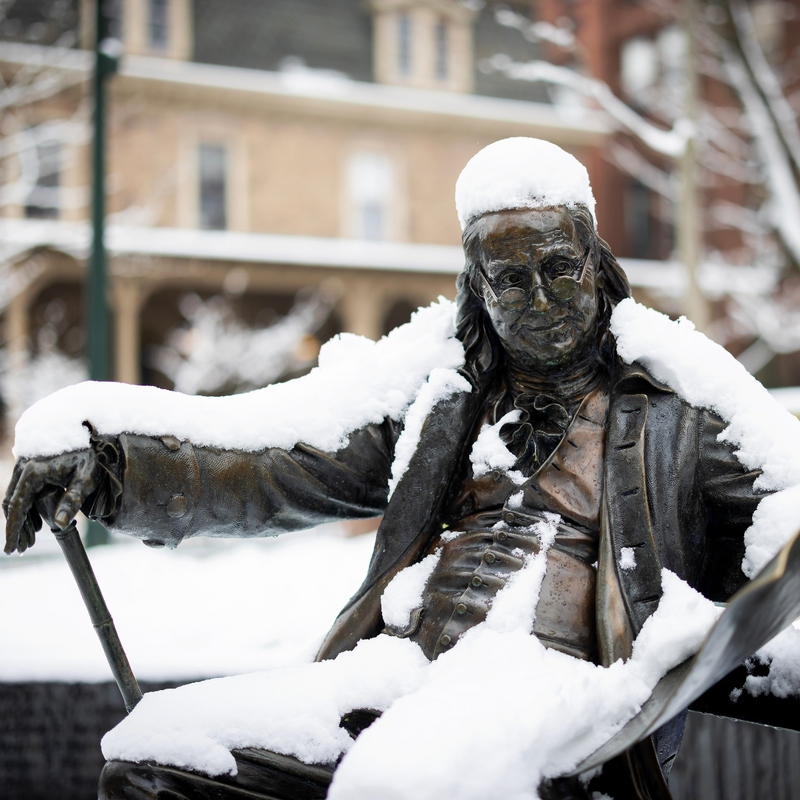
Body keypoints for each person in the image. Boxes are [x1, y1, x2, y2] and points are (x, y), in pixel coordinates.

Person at [1, 139, 781, 799]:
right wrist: (110, 462)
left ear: (598, 266)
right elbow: (276, 461)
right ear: (477, 293)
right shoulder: (443, 399)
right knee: (150, 766)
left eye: (559, 267)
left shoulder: (679, 408)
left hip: (557, 700)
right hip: (394, 673)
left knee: (401, 785)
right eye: (510, 280)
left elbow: (786, 509)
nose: (540, 296)